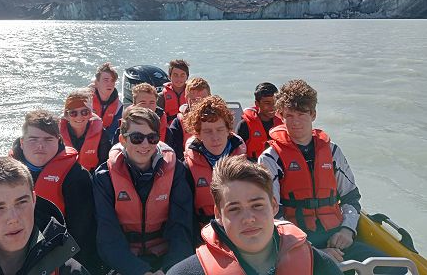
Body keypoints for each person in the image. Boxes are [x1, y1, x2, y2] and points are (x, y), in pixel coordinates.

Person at [259, 80, 405, 274]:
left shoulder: (332, 152)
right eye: (289, 116)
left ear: (313, 115)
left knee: (398, 269)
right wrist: (313, 250)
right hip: (298, 244)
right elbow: (273, 216)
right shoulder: (270, 158)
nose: (295, 122)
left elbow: (351, 198)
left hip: (337, 236)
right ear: (281, 117)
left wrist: (347, 230)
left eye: (301, 114)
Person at [167, 155, 343, 275]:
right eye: (234, 209)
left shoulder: (319, 266)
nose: (248, 218)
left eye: (257, 205)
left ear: (274, 206)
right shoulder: (185, 273)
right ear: (218, 215)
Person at [94, 107, 194, 275]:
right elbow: (108, 234)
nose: (145, 144)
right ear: (123, 140)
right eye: (137, 138)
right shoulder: (104, 177)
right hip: (125, 259)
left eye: (152, 138)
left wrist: (168, 269)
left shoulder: (175, 170)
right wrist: (140, 271)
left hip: (167, 258)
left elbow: (181, 226)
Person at [10, 109, 100, 274]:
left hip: (60, 257)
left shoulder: (77, 176)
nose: (40, 146)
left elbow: (82, 233)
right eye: (33, 139)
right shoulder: (4, 176)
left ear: (59, 141)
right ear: (22, 143)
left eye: (48, 139)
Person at [183, 95, 247, 232]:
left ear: (228, 130)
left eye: (219, 130)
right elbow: (184, 213)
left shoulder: (245, 164)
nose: (215, 137)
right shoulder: (186, 168)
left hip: (239, 229)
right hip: (203, 231)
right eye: (207, 131)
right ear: (198, 135)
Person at [60, 88, 112, 172]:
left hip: (92, 178)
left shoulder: (101, 134)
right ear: (67, 115)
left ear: (90, 114)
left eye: (84, 112)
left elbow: (105, 164)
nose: (79, 117)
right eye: (73, 113)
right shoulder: (56, 135)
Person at [236, 82, 283, 161]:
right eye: (267, 103)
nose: (273, 107)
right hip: (253, 169)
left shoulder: (282, 124)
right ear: (257, 103)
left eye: (275, 103)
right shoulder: (245, 125)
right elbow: (236, 155)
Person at [167, 77, 211, 160]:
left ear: (210, 98)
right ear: (186, 99)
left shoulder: (219, 119)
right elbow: (176, 153)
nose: (199, 104)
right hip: (189, 163)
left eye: (203, 99)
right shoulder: (178, 123)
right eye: (194, 100)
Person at [90, 62, 123, 143]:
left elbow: (113, 132)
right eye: (106, 80)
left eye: (112, 81)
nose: (110, 84)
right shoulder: (86, 101)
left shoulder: (119, 106)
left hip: (105, 142)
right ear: (96, 83)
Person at [157, 59, 190, 124]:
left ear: (187, 76)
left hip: (188, 128)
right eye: (175, 75)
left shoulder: (192, 94)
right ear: (169, 76)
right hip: (170, 129)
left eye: (182, 75)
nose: (179, 79)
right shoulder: (161, 96)